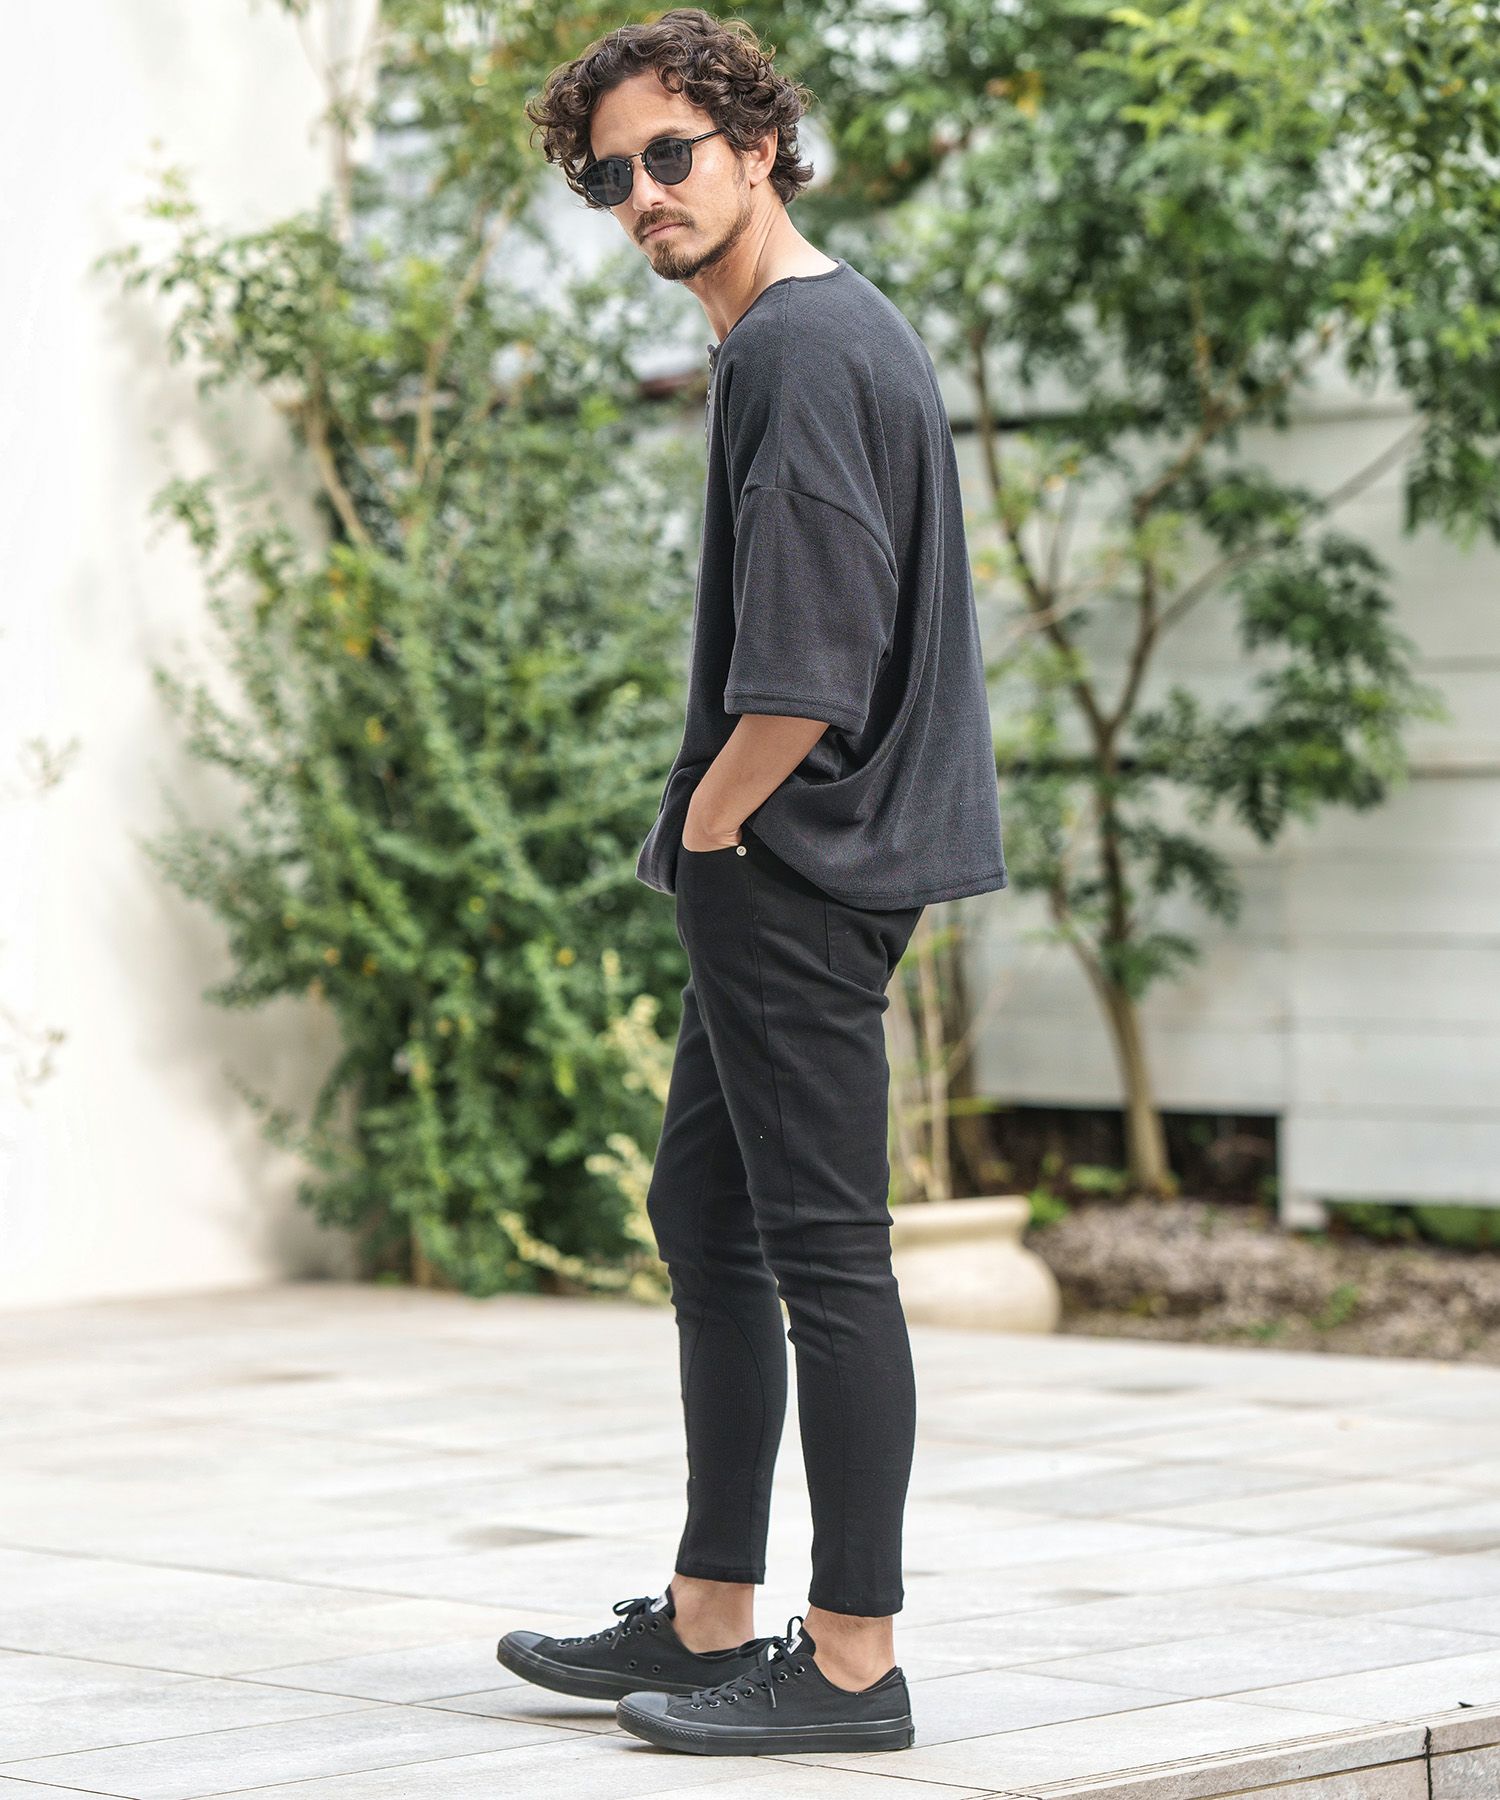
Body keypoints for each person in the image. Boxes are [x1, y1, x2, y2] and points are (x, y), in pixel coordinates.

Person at [502, 7, 1007, 1756]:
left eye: (672, 155)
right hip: (801, 859)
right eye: (610, 176)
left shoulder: (798, 348)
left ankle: (852, 1664)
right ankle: (714, 1608)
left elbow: (804, 675)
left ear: (759, 146)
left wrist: (717, 826)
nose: (643, 193)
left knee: (826, 1259)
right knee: (706, 1218)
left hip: (794, 859)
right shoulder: (814, 333)